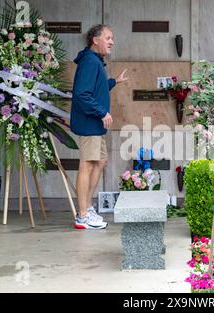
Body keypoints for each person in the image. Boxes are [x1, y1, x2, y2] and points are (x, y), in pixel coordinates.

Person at [71, 24, 129, 229]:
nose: (112, 41)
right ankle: (83, 214)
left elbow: (96, 87)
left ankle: (86, 206)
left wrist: (114, 82)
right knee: (87, 164)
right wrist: (102, 112)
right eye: (108, 37)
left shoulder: (94, 61)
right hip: (89, 122)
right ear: (95, 40)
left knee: (101, 160)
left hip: (94, 124)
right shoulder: (89, 62)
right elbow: (81, 94)